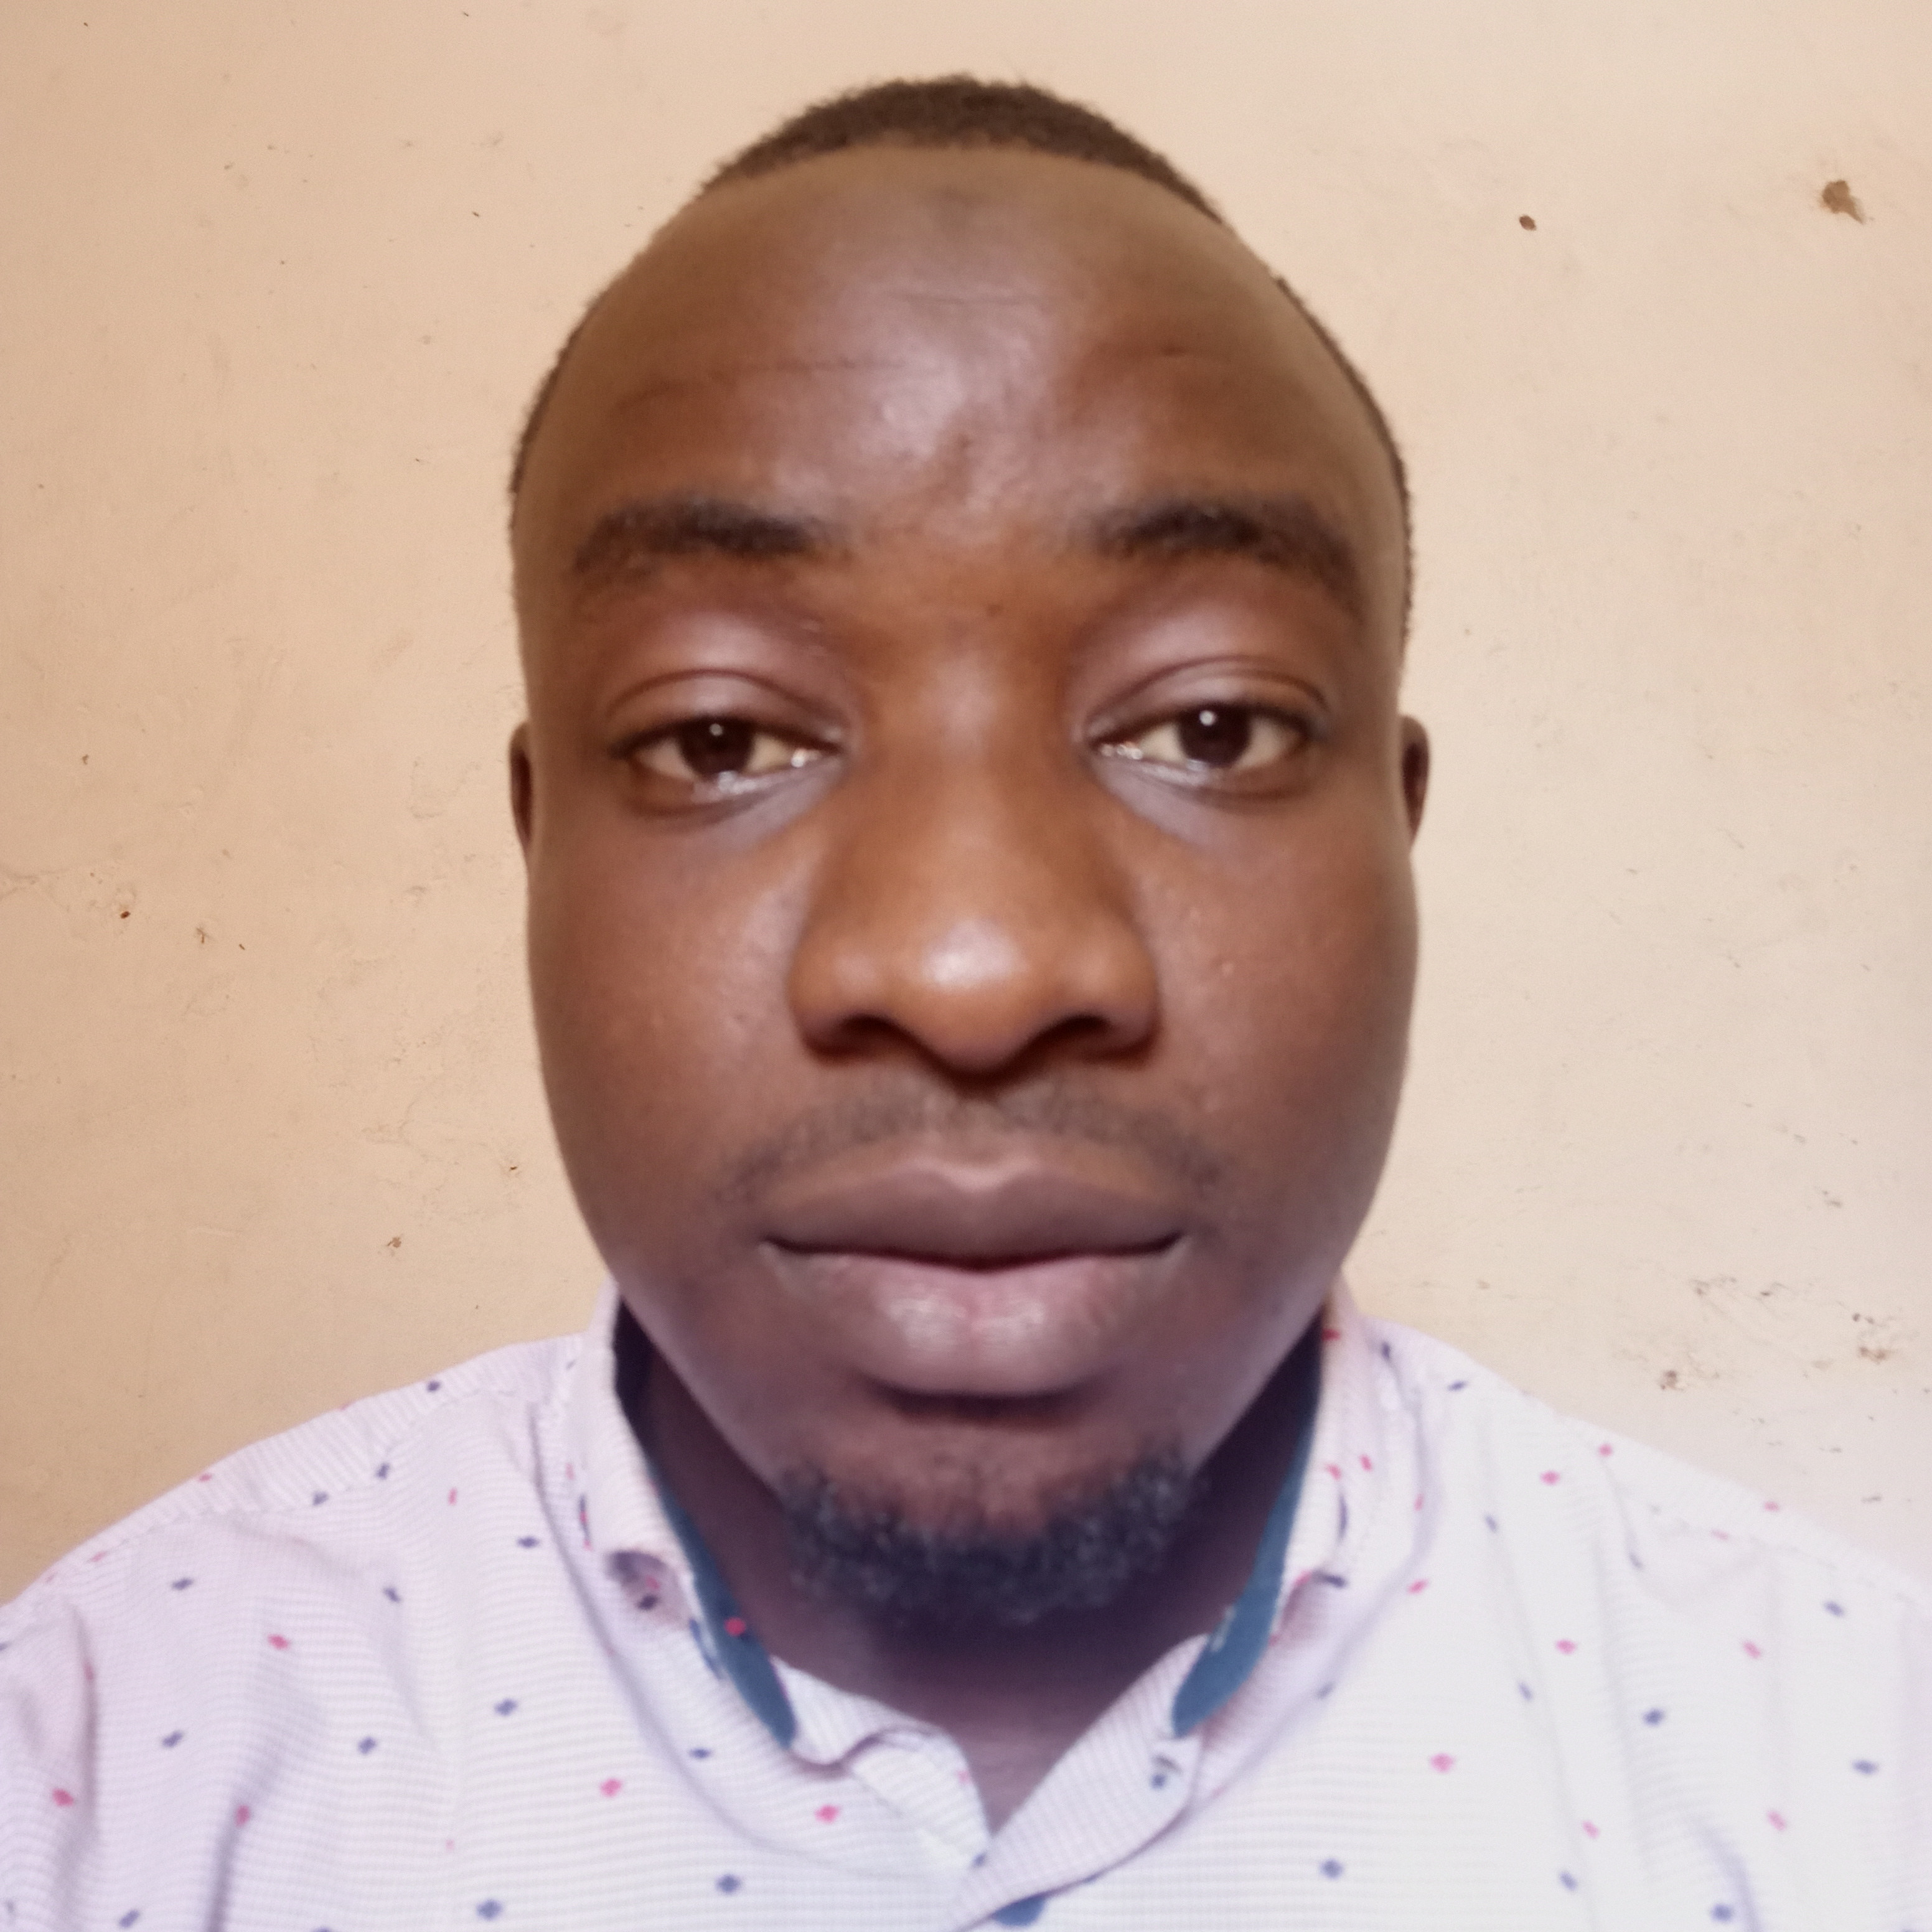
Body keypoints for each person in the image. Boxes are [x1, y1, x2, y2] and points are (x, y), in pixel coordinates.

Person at [2, 75, 1925, 1932]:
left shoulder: (1847, 1771)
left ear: (1398, 831)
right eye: (720, 738)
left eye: (1212, 725)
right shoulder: (94, 1769)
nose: (975, 971)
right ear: (540, 848)